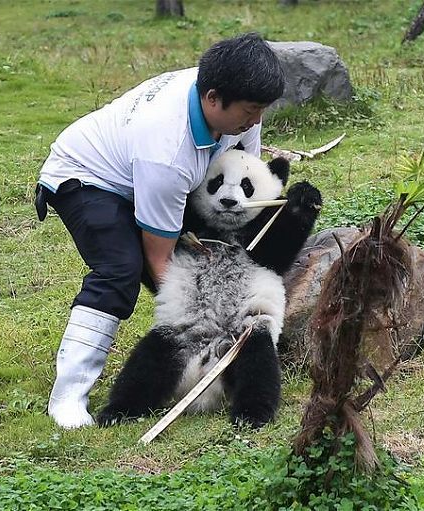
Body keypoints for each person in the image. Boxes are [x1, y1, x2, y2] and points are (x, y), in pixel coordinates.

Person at [35, 32, 285, 429]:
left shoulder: (235, 105)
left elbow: (241, 177)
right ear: (213, 98)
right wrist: (200, 319)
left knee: (207, 256)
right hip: (86, 178)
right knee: (120, 270)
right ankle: (68, 397)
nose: (255, 121)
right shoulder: (167, 151)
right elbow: (159, 258)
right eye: (251, 110)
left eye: (261, 111)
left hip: (148, 173)